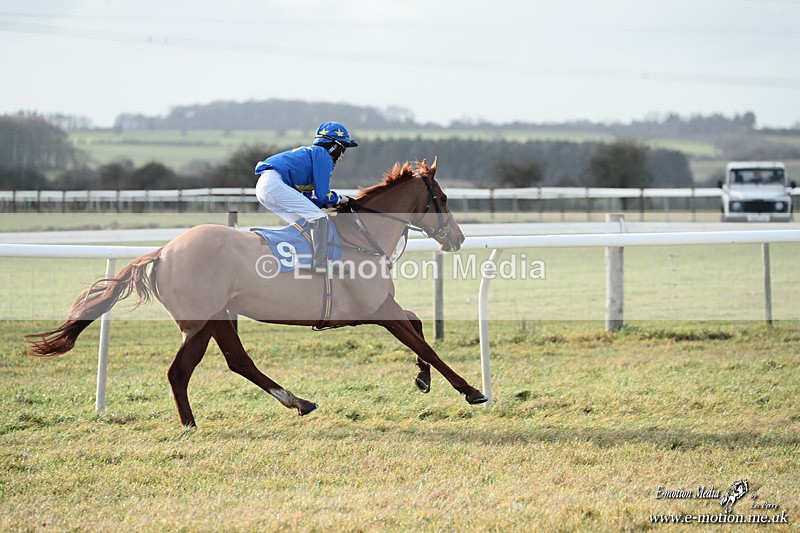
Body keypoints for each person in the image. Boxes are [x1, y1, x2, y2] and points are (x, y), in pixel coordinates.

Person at [254, 121, 358, 272]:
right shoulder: (323, 156)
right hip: (273, 185)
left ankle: (301, 259)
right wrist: (344, 199)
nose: (342, 156)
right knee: (319, 218)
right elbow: (324, 195)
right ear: (333, 146)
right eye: (343, 149)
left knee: (305, 223)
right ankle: (321, 264)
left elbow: (311, 200)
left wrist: (331, 203)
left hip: (266, 187)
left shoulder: (314, 156)